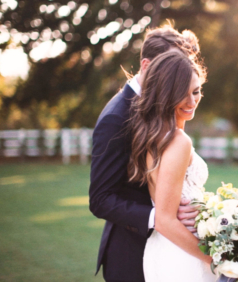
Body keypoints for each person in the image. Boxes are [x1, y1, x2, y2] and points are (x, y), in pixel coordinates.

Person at [89, 24, 202, 282]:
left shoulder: (166, 104)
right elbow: (100, 198)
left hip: (175, 250)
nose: (179, 76)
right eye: (170, 66)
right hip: (132, 252)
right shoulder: (116, 118)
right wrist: (161, 215)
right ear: (146, 65)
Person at [127, 50, 216, 281]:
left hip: (163, 249)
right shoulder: (178, 141)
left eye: (196, 91)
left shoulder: (152, 135)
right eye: (181, 94)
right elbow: (165, 220)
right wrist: (217, 259)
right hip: (185, 253)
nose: (192, 101)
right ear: (165, 95)